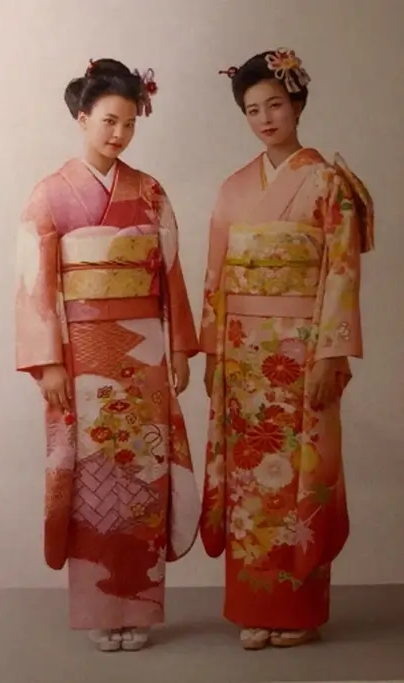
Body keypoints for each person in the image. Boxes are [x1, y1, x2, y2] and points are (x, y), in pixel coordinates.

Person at [14, 58, 201, 652]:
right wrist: (48, 364)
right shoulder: (49, 195)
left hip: (143, 351)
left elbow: (169, 274)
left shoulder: (150, 192)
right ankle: (100, 607)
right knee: (92, 476)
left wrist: (177, 349)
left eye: (128, 124)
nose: (118, 134)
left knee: (143, 473)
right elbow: (35, 284)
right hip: (82, 354)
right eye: (108, 121)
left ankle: (139, 606)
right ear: (82, 117)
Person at [199, 48, 374, 650]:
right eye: (253, 109)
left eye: (275, 104)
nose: (266, 118)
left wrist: (332, 353)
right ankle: (255, 604)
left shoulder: (328, 185)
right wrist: (216, 357)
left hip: (302, 353)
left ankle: (297, 611)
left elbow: (342, 272)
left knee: (299, 476)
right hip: (245, 356)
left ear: (297, 103)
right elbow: (216, 276)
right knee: (252, 482)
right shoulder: (232, 189)